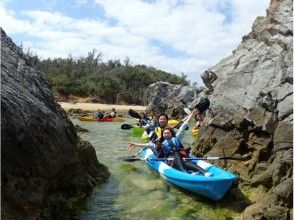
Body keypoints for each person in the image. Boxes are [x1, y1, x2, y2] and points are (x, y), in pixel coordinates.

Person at [128, 126, 209, 176]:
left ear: (171, 134)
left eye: (168, 133)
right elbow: (148, 145)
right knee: (177, 157)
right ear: (163, 135)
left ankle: (204, 172)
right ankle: (185, 173)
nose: (166, 134)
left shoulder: (175, 139)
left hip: (179, 158)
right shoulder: (160, 144)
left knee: (187, 163)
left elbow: (181, 130)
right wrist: (135, 144)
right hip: (170, 160)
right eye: (165, 133)